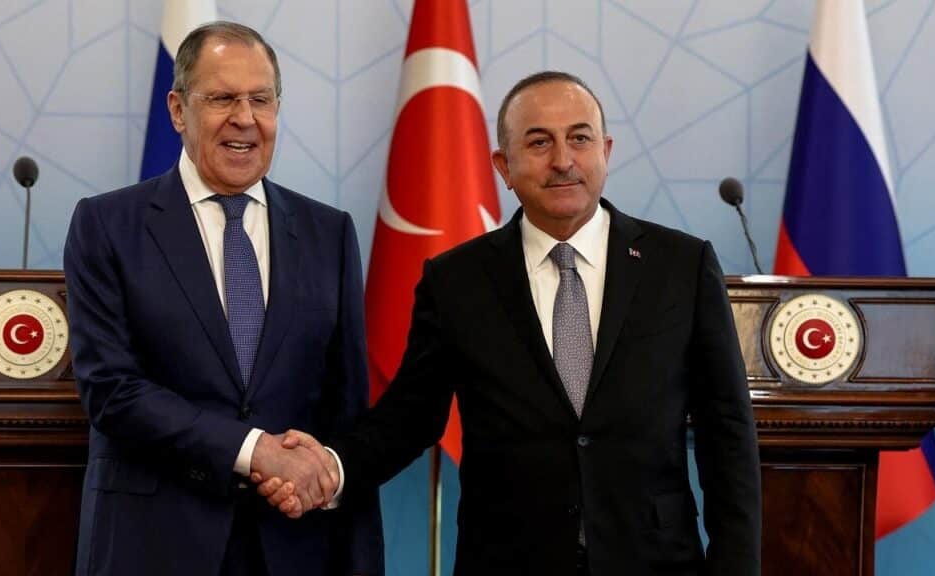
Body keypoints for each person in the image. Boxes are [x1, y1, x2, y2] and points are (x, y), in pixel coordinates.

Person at [263, 71, 761, 575]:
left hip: (656, 560)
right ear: (503, 165)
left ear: (605, 150)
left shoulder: (681, 265)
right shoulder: (457, 280)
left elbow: (728, 433)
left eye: (580, 138)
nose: (563, 160)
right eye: (539, 142)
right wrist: (332, 466)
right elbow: (409, 417)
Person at [64, 21, 382, 576]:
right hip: (153, 545)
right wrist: (253, 448)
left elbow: (346, 404)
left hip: (295, 544)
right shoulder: (108, 224)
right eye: (221, 98)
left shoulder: (328, 233)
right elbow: (110, 389)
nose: (244, 118)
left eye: (261, 99)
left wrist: (328, 486)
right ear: (178, 110)